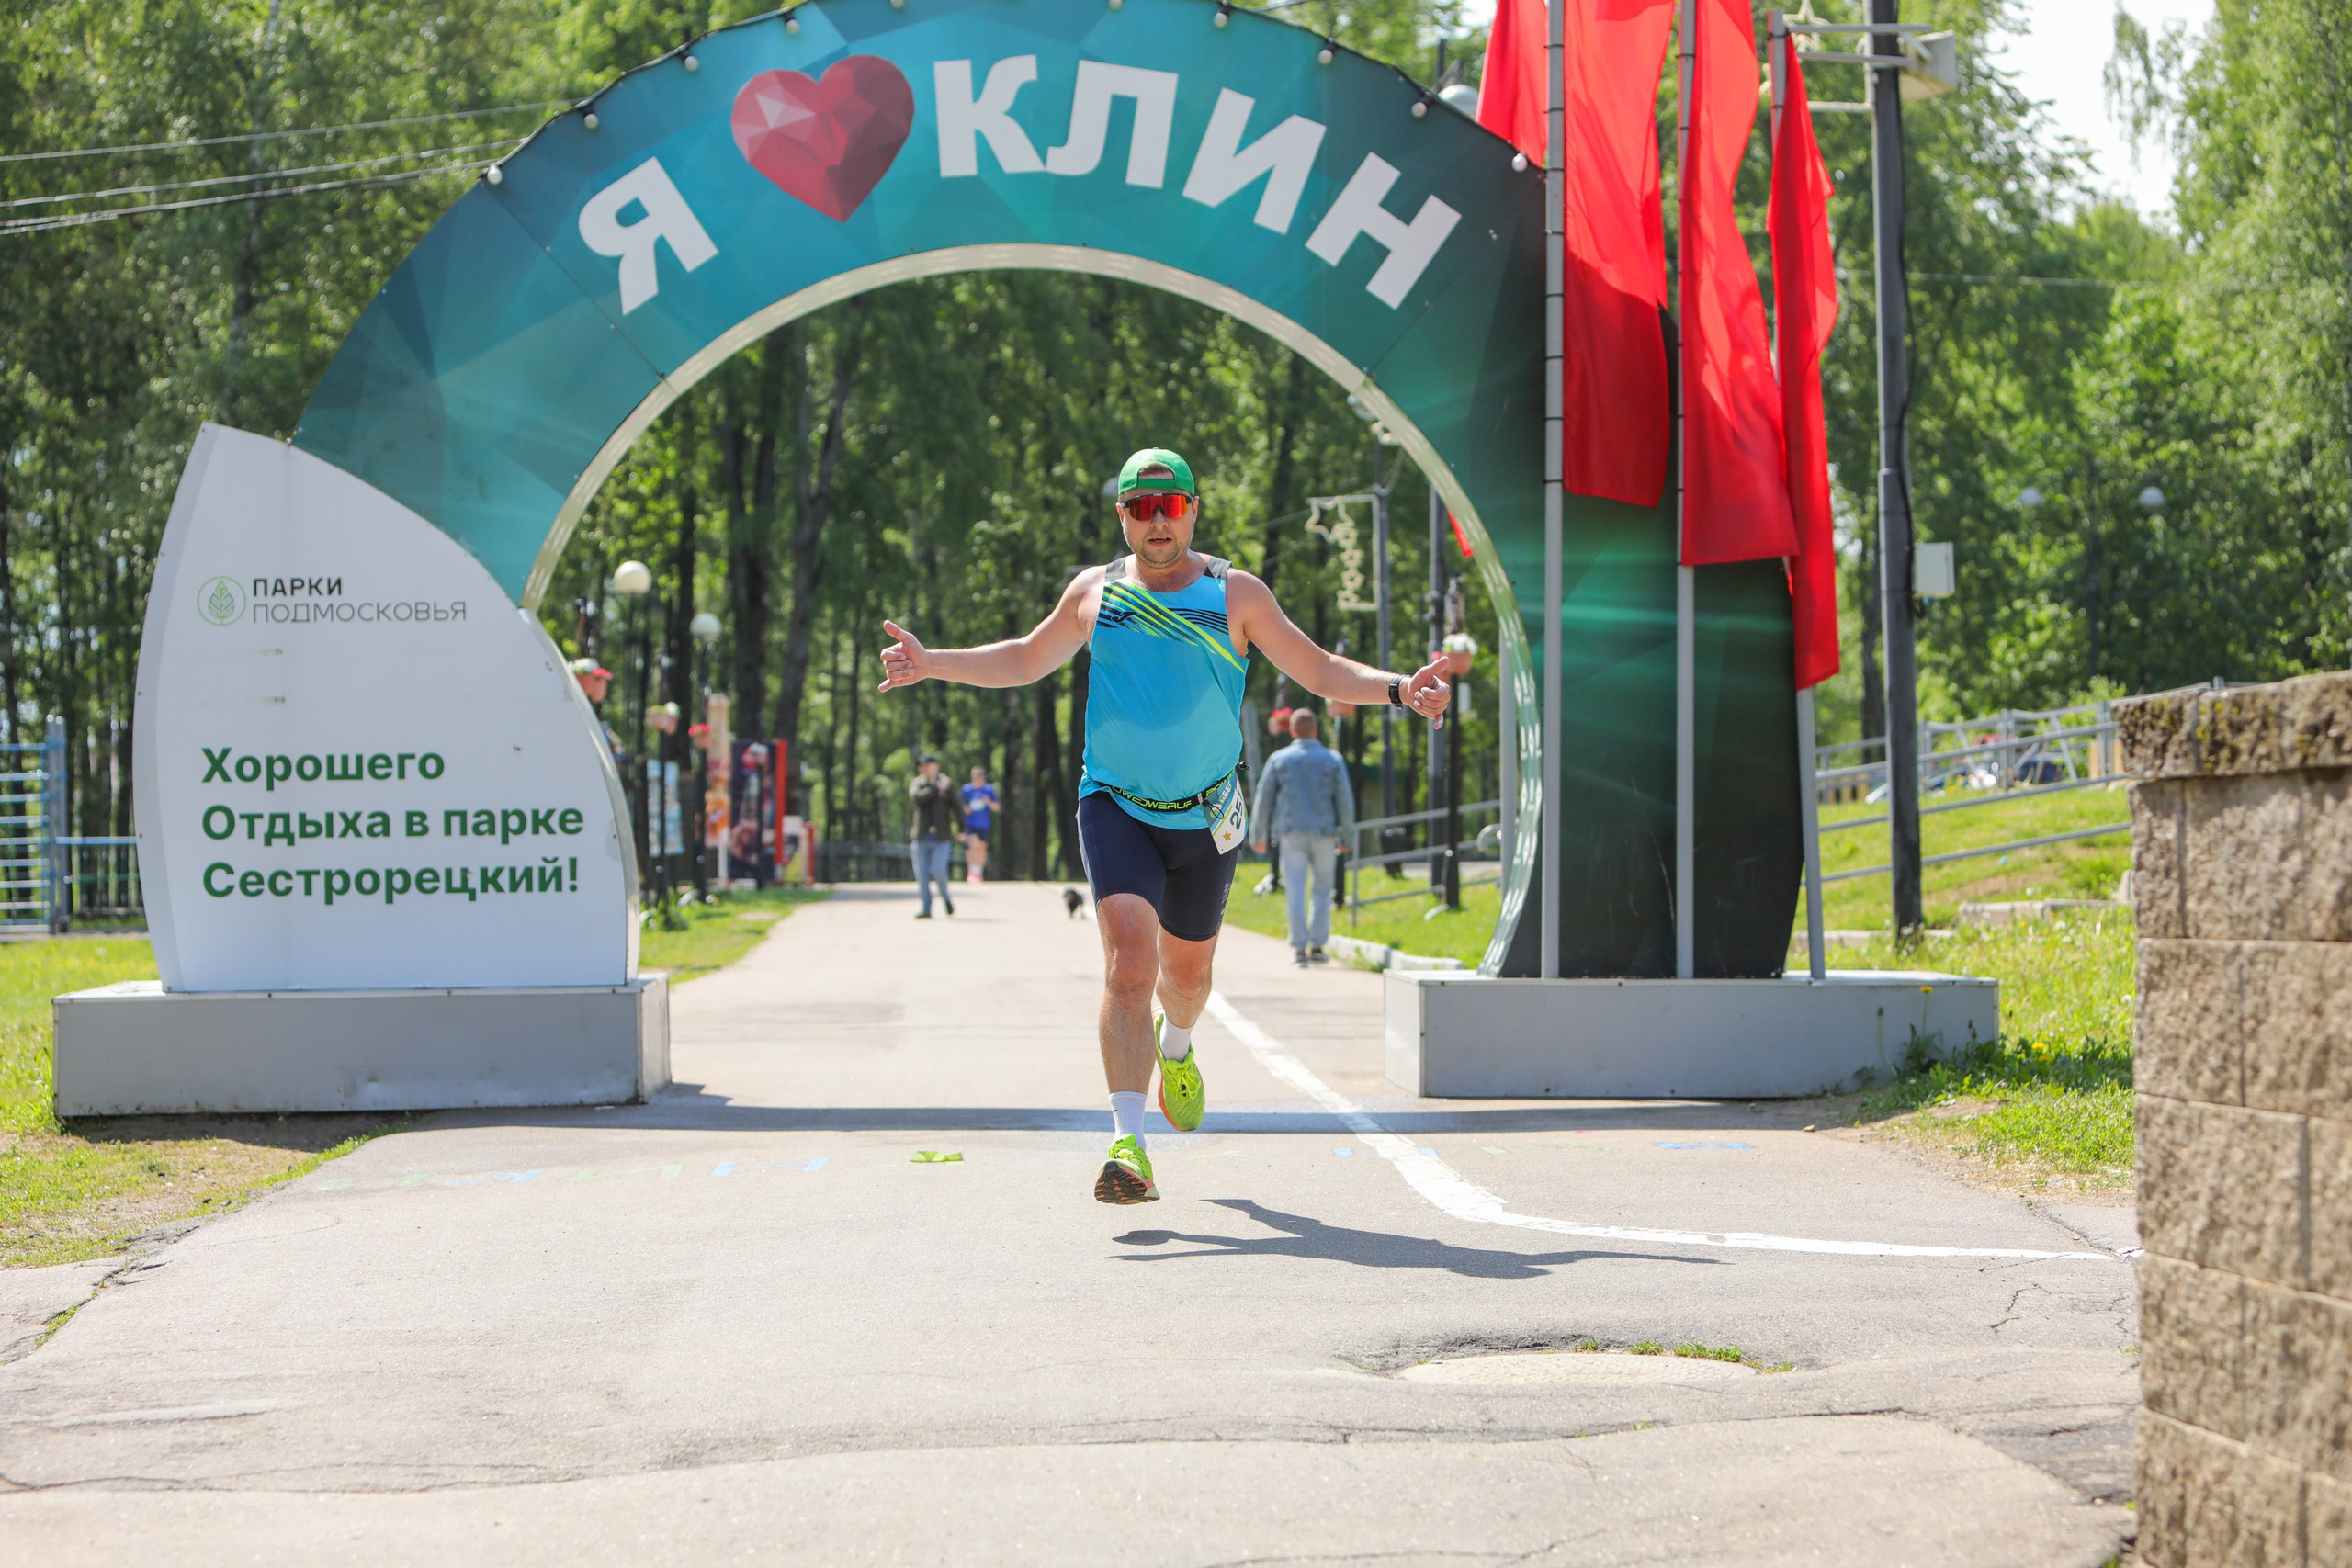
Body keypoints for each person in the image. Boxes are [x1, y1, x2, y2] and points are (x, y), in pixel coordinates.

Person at [877, 447, 1450, 1204]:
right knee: (1129, 965)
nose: (1156, 522)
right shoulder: (1096, 591)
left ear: (1193, 511)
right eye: (1140, 508)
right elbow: (1023, 658)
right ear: (1122, 515)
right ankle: (1128, 1143)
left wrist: (1400, 690)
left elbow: (1316, 670)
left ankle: (1176, 1046)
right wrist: (934, 662)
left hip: (1204, 816)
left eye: (1169, 506)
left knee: (1186, 980)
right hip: (1113, 803)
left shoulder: (1233, 592)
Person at [1250, 707, 1353, 965]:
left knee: (1295, 889)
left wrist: (1257, 835)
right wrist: (1348, 837)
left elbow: (1264, 799)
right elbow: (1344, 800)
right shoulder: (1332, 759)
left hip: (1290, 832)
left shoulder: (1279, 759)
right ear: (1316, 730)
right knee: (1321, 890)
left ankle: (1299, 948)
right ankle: (1317, 947)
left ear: (1293, 731)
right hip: (1325, 833)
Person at [908, 753, 962, 919]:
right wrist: (936, 787)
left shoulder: (948, 784)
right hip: (921, 837)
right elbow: (918, 800)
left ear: (936, 766)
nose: (923, 768)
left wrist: (963, 830)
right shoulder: (918, 784)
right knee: (922, 875)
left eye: (927, 765)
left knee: (938, 870)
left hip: (941, 838)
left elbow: (958, 807)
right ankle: (926, 908)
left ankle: (945, 897)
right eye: (921, 766)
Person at [960, 765, 999, 884]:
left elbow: (996, 807)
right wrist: (965, 808)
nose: (979, 778)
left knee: (982, 848)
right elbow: (958, 805)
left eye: (981, 775)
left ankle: (978, 872)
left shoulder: (989, 789)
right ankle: (972, 871)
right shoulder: (966, 790)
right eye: (977, 775)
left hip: (984, 824)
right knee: (973, 845)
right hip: (971, 823)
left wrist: (989, 802)